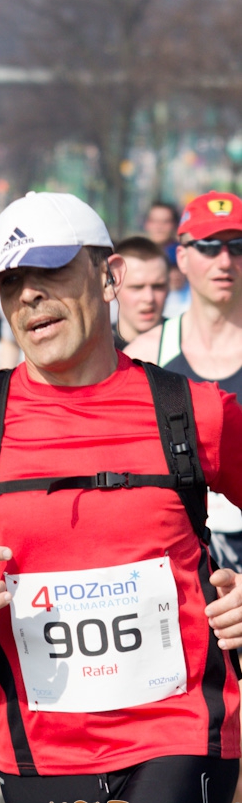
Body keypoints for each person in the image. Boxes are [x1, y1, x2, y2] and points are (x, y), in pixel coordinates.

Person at [0, 190, 242, 803]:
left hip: (181, 727)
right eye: (12, 282)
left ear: (105, 278)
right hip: (40, 749)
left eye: (48, 272)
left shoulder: (195, 411)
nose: (28, 297)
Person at [127, 191, 242, 576]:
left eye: (237, 246)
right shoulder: (145, 356)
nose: (224, 260)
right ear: (182, 256)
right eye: (208, 247)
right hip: (176, 560)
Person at [111, 236, 169, 350]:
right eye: (137, 287)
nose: (149, 298)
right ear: (112, 288)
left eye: (158, 287)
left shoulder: (188, 344)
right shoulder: (97, 350)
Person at [144, 199, 179, 265]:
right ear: (146, 224)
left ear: (175, 225)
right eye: (154, 221)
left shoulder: (180, 256)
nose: (159, 227)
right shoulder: (137, 253)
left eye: (165, 221)